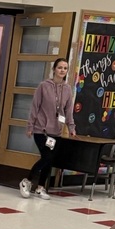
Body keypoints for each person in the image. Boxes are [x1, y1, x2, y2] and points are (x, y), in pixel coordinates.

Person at [20, 57, 76, 199]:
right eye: (60, 67)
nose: (62, 70)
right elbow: (35, 106)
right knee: (46, 156)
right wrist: (30, 126)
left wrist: (71, 127)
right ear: (54, 69)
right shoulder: (43, 86)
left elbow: (68, 111)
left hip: (56, 131)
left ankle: (40, 188)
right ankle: (26, 181)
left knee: (49, 160)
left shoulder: (68, 89)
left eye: (65, 68)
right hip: (41, 130)